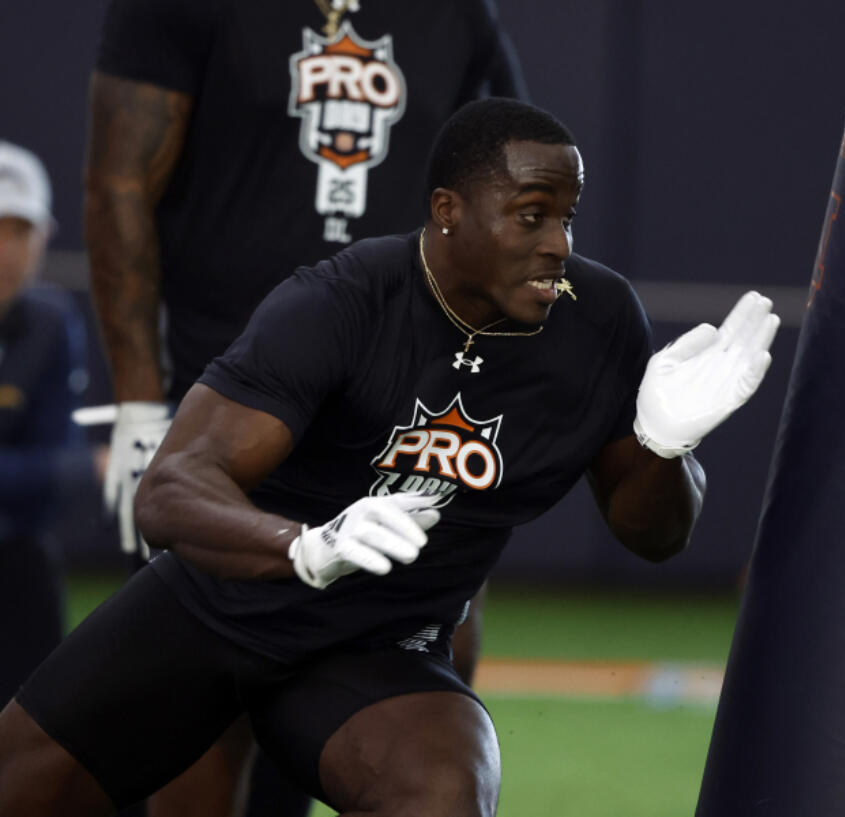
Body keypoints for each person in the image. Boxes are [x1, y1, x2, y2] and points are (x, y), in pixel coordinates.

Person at [0, 98, 780, 816]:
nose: (558, 245)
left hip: (380, 644)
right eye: (531, 215)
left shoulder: (597, 321)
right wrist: (304, 545)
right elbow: (168, 491)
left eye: (568, 217)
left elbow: (652, 533)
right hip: (215, 611)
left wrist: (665, 446)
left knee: (441, 791)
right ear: (448, 211)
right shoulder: (344, 300)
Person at [85, 1, 526, 813]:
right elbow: (119, 186)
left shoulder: (457, 14)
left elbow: (509, 192)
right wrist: (140, 408)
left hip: (404, 410)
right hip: (228, 407)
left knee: (420, 714)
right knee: (195, 721)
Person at [0, 142, 92, 706]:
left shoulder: (50, 323)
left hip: (18, 553)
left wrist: (74, 468)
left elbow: (63, 472)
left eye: (19, 230)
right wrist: (81, 466)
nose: (6, 250)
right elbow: (70, 466)